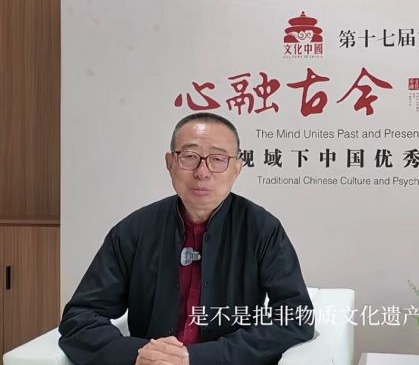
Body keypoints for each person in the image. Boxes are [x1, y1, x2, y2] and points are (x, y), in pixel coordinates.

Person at [59, 113, 314, 365]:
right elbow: (80, 317)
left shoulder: (262, 229)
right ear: (170, 162)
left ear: (237, 168)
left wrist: (200, 357)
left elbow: (296, 317)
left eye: (218, 159)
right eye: (190, 157)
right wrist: (137, 353)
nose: (202, 172)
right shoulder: (133, 230)